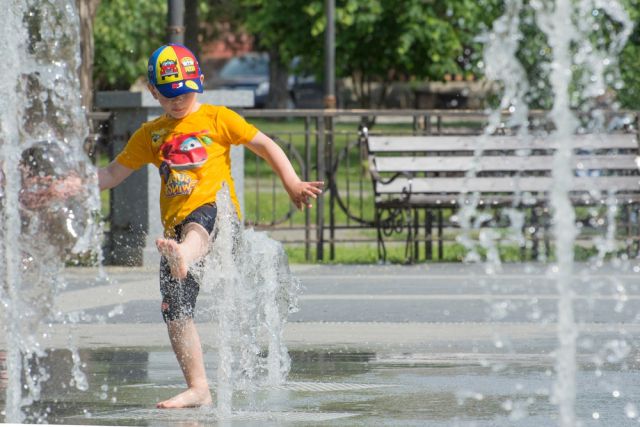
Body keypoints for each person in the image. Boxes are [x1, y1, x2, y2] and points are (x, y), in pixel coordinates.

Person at [97, 44, 324, 409]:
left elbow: (265, 145)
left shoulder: (218, 118)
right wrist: (73, 184)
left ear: (199, 83)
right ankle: (198, 386)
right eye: (169, 94)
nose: (178, 100)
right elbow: (111, 173)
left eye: (186, 92)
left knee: (202, 212)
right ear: (154, 91)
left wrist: (292, 183)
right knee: (175, 309)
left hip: (219, 223)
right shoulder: (150, 135)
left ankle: (184, 253)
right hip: (175, 236)